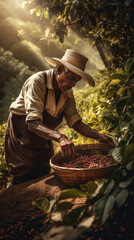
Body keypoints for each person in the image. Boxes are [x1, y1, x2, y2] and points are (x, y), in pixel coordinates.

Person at [4, 49, 114, 185]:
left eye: (77, 81)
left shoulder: (67, 91)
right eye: (72, 78)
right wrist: (61, 137)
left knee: (43, 168)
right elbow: (32, 123)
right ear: (60, 69)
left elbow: (75, 121)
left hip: (44, 132)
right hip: (22, 130)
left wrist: (98, 136)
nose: (73, 84)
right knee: (23, 170)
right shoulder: (37, 81)